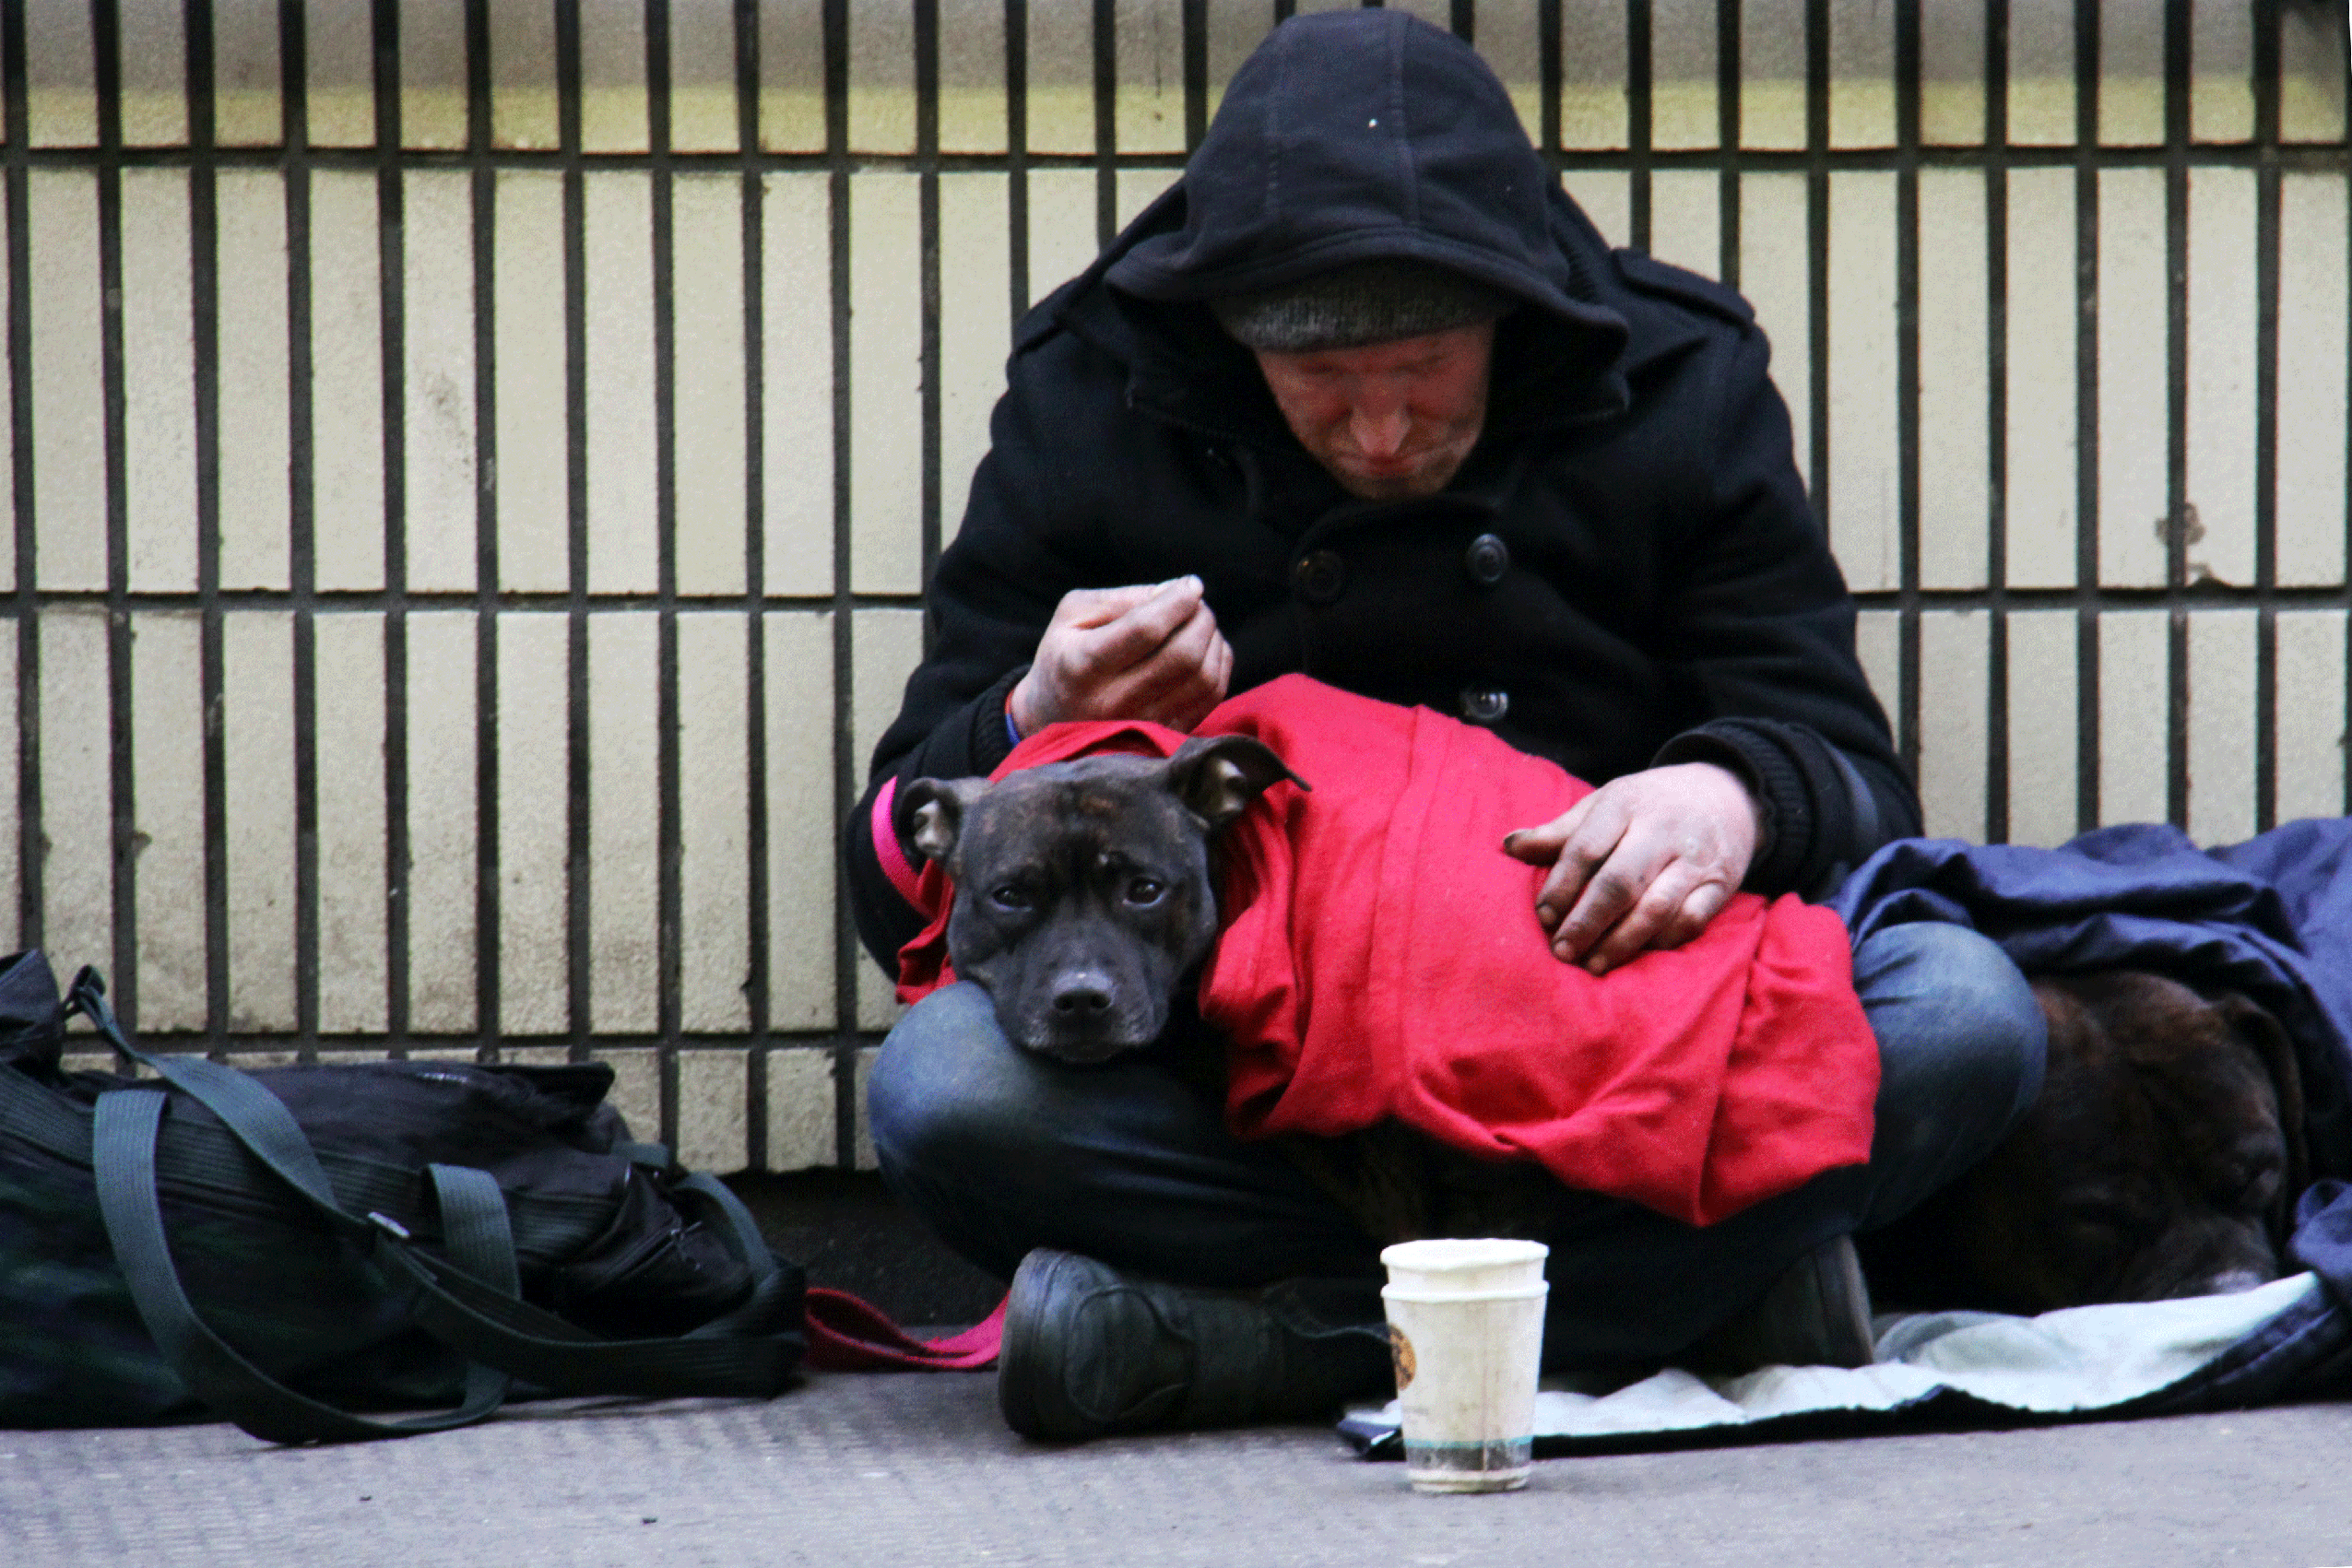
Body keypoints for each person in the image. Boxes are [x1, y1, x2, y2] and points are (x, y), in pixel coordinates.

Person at [845, 9, 2046, 1439]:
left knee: (1966, 1013)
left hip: (1596, 1031)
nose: (1379, 437)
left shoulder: (1676, 374)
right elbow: (896, 869)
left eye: (1423, 375)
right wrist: (1034, 710)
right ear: (1233, 343)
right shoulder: (1093, 390)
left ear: (1507, 317)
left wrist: (1722, 797)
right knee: (944, 1092)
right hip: (1248, 1081)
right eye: (1321, 388)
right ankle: (1677, 1300)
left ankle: (1253, 1347)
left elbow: (1844, 770)